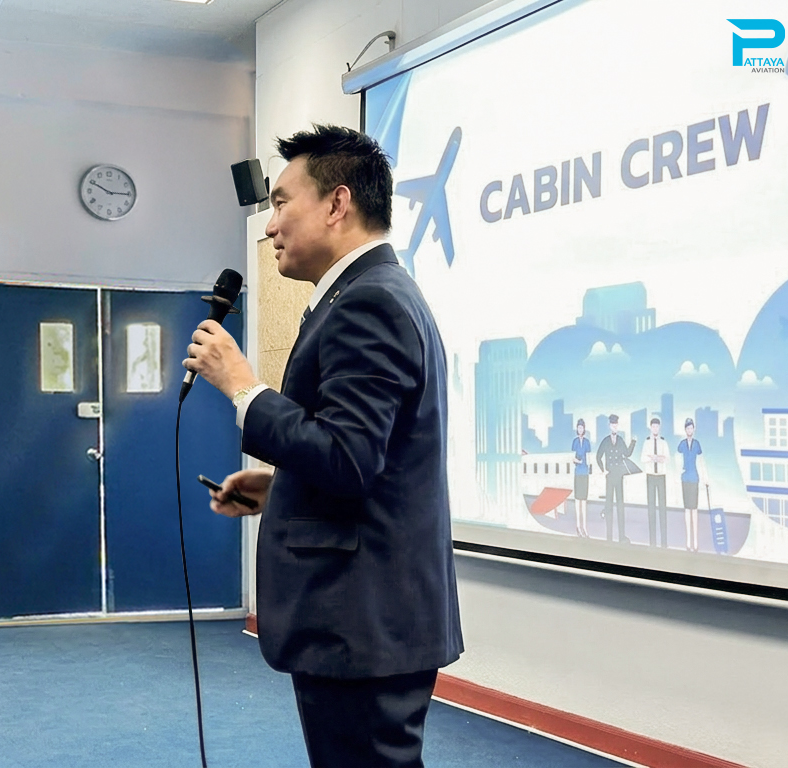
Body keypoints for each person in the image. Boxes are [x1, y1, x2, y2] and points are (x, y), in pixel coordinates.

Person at [184, 124, 462, 768]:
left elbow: (347, 458)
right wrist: (278, 486)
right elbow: (373, 458)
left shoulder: (369, 302)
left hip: (360, 619)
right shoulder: (362, 294)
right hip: (361, 618)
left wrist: (243, 388)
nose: (270, 226)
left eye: (282, 202)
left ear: (337, 204)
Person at [595, 414, 637, 543]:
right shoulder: (606, 441)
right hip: (609, 476)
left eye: (616, 424)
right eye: (613, 424)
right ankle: (609, 537)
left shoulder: (620, 440)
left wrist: (633, 442)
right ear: (609, 425)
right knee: (609, 506)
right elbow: (598, 456)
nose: (614, 426)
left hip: (619, 476)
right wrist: (603, 469)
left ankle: (621, 536)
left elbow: (627, 453)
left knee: (620, 505)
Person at [678, 418, 706, 552]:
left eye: (691, 428)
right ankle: (688, 540)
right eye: (688, 428)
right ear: (685, 430)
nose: (690, 430)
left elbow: (701, 461)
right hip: (685, 478)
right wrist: (679, 471)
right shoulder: (682, 444)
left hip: (694, 478)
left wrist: (705, 478)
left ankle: (695, 541)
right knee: (687, 509)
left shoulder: (697, 444)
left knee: (694, 509)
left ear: (693, 429)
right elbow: (677, 458)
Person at [641, 416, 669, 548]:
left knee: (662, 507)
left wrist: (658, 458)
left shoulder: (663, 442)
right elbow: (643, 458)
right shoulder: (647, 442)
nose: (655, 429)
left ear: (659, 428)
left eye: (657, 426)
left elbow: (667, 458)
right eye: (653, 426)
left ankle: (664, 541)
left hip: (661, 476)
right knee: (651, 507)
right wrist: (653, 458)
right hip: (651, 476)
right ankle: (652, 540)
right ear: (650, 428)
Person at [572, 420, 592, 538]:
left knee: (583, 500)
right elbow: (572, 458)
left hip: (585, 473)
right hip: (577, 473)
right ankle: (578, 526)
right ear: (577, 429)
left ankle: (584, 527)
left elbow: (588, 458)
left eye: (582, 428)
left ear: (584, 429)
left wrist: (586, 464)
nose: (580, 430)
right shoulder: (575, 441)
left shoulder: (587, 442)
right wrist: (578, 461)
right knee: (577, 500)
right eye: (579, 428)